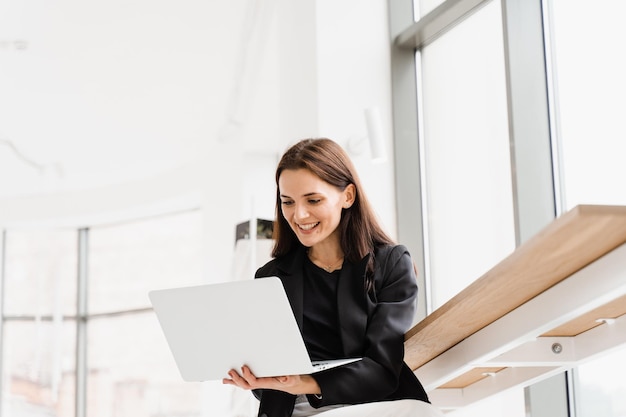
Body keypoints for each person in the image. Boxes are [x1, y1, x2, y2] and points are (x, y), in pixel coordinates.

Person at [223, 138, 442, 417]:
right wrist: (255, 378)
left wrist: (305, 382)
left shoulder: (391, 262)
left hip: (376, 407)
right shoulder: (271, 277)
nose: (298, 215)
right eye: (287, 202)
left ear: (347, 196)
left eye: (313, 200)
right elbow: (271, 379)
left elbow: (383, 369)